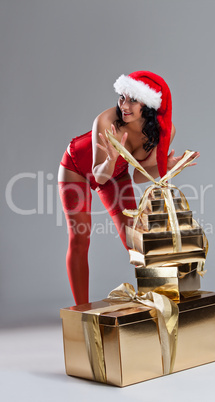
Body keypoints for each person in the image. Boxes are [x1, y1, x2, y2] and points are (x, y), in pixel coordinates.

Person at [58, 71, 199, 305]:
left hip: (117, 174)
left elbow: (139, 175)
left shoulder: (164, 131)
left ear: (150, 104)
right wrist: (111, 160)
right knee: (79, 238)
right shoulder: (105, 120)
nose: (124, 105)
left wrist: (168, 167)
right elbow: (99, 176)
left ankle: (164, 304)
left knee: (136, 241)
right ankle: (81, 310)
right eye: (122, 97)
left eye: (133, 100)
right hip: (78, 168)